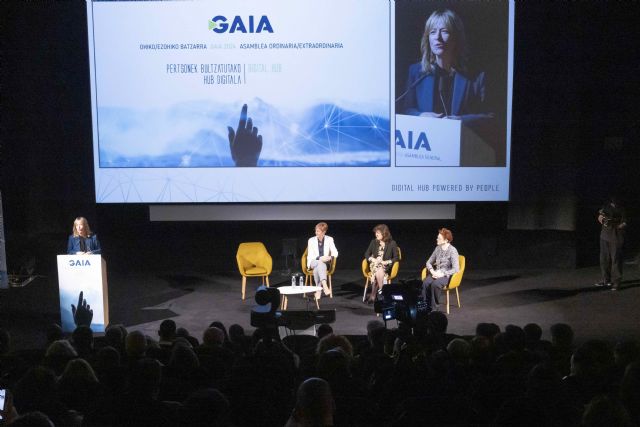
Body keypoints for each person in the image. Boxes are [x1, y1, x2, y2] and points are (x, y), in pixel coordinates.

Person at [401, 9, 492, 125]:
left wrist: (460, 121)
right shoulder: (416, 72)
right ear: (428, 38)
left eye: (444, 31)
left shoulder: (477, 76)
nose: (437, 37)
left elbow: (489, 116)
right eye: (433, 32)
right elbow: (405, 109)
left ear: (456, 38)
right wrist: (421, 116)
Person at [421, 228, 459, 311]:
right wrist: (432, 271)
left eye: (439, 238)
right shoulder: (437, 248)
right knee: (425, 283)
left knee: (435, 284)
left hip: (446, 275)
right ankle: (425, 306)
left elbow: (456, 269)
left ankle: (434, 308)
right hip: (436, 272)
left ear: (446, 240)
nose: (437, 239)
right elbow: (428, 262)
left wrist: (442, 274)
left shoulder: (453, 250)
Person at [595, 197, 627, 290]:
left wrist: (618, 225)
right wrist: (601, 219)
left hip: (616, 237)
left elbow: (625, 222)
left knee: (616, 260)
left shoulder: (622, 209)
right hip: (604, 236)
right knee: (604, 259)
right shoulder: (606, 206)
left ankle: (617, 282)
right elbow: (600, 216)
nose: (614, 203)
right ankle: (606, 280)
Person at [363, 224, 399, 303]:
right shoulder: (373, 242)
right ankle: (382, 291)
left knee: (379, 270)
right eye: (376, 232)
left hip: (386, 266)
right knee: (378, 269)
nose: (376, 234)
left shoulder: (392, 243)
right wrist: (373, 259)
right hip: (374, 265)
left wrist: (386, 262)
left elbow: (396, 257)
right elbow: (366, 254)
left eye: (378, 233)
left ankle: (373, 295)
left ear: (384, 233)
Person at [306, 222, 338, 299]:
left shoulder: (329, 239)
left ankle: (318, 291)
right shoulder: (311, 240)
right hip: (313, 261)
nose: (316, 233)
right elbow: (310, 255)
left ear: (324, 232)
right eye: (316, 231)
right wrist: (320, 258)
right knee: (320, 263)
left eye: (318, 231)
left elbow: (335, 252)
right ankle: (324, 285)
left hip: (323, 263)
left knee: (319, 267)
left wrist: (330, 257)